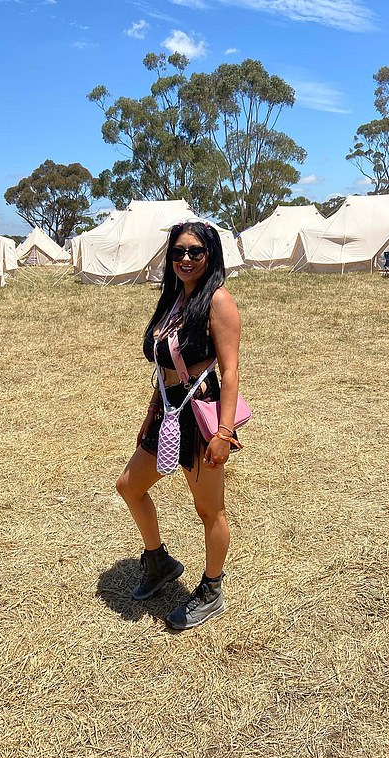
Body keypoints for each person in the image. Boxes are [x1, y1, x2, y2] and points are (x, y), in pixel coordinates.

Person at [115, 221, 242, 631]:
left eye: (195, 252)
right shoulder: (173, 299)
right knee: (129, 486)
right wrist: (152, 411)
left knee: (209, 510)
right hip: (167, 412)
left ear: (211, 255)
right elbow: (164, 366)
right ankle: (159, 562)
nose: (185, 259)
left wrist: (223, 434)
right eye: (178, 252)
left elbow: (231, 370)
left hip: (201, 415)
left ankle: (211, 589)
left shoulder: (218, 301)